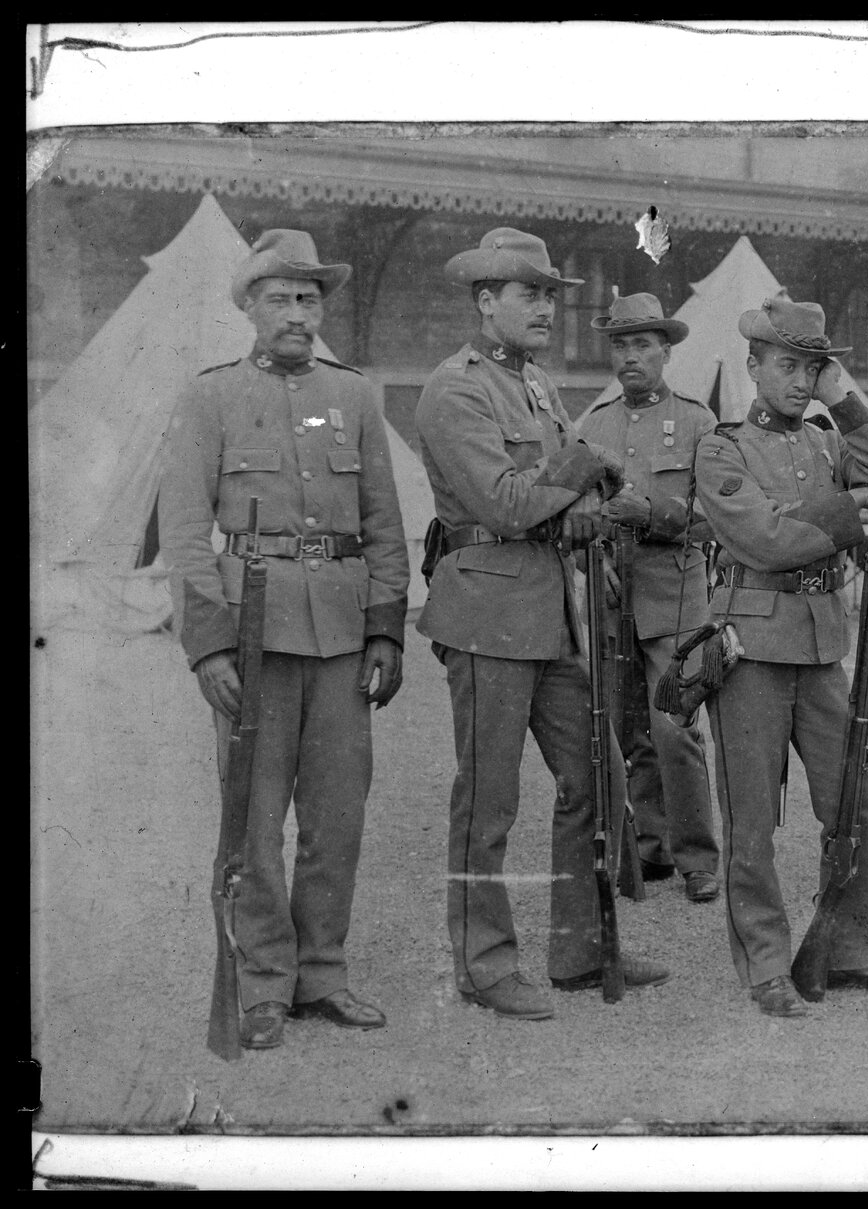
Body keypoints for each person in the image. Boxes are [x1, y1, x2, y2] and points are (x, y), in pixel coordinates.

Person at [160, 229, 409, 1050]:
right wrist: (209, 644)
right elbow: (185, 531)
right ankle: (264, 980)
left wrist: (385, 630)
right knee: (255, 821)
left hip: (340, 636)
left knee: (337, 818)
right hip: (252, 636)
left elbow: (383, 523)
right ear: (250, 308)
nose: (298, 313)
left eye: (308, 299)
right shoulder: (211, 397)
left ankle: (322, 974)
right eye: (280, 298)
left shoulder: (355, 396)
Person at [413, 228, 670, 1022]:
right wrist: (585, 463)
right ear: (486, 300)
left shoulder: (536, 385)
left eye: (552, 296)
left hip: (553, 610)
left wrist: (595, 488)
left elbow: (559, 493)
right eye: (531, 294)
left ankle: (579, 946)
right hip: (487, 612)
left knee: (596, 773)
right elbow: (506, 503)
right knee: (488, 802)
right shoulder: (454, 390)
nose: (547, 309)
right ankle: (483, 964)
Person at [695, 297, 868, 1018]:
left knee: (861, 802)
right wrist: (857, 510)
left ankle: (850, 947)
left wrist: (840, 396)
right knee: (752, 818)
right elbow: (765, 540)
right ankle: (765, 965)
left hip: (822, 647)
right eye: (787, 365)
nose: (799, 381)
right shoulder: (722, 448)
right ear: (753, 366)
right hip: (752, 649)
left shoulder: (827, 443)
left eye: (811, 368)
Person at [578, 293, 722, 903]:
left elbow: (717, 517)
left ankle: (697, 858)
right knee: (625, 728)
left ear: (666, 351)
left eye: (643, 344)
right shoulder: (592, 426)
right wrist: (594, 558)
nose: (631, 356)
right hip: (614, 598)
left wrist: (654, 513)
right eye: (621, 345)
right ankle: (650, 847)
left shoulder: (698, 423)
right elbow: (575, 511)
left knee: (675, 728)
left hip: (675, 598)